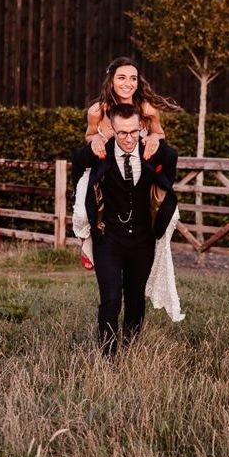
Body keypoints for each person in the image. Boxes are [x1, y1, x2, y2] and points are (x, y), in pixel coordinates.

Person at [72, 103, 180, 357]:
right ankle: (108, 357)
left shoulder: (151, 150)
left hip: (143, 240)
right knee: (110, 298)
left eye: (133, 132)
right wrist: (94, 141)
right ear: (113, 130)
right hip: (108, 239)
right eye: (122, 133)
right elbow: (77, 164)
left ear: (139, 126)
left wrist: (156, 135)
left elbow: (172, 160)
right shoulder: (102, 152)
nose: (128, 138)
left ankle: (131, 347)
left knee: (135, 298)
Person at [75, 57, 180, 269]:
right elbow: (89, 135)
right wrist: (95, 138)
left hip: (136, 174)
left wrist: (153, 138)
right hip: (107, 172)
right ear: (111, 81)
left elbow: (159, 133)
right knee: (83, 208)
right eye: (121, 78)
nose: (127, 83)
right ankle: (88, 245)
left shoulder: (147, 109)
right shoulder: (97, 111)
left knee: (166, 211)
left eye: (133, 78)